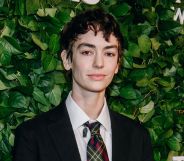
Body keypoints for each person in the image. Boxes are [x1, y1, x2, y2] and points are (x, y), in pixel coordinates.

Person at [12, 9, 153, 161]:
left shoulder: (138, 137)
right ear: (67, 59)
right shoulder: (32, 136)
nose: (99, 63)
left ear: (118, 64)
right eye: (87, 52)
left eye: (109, 53)